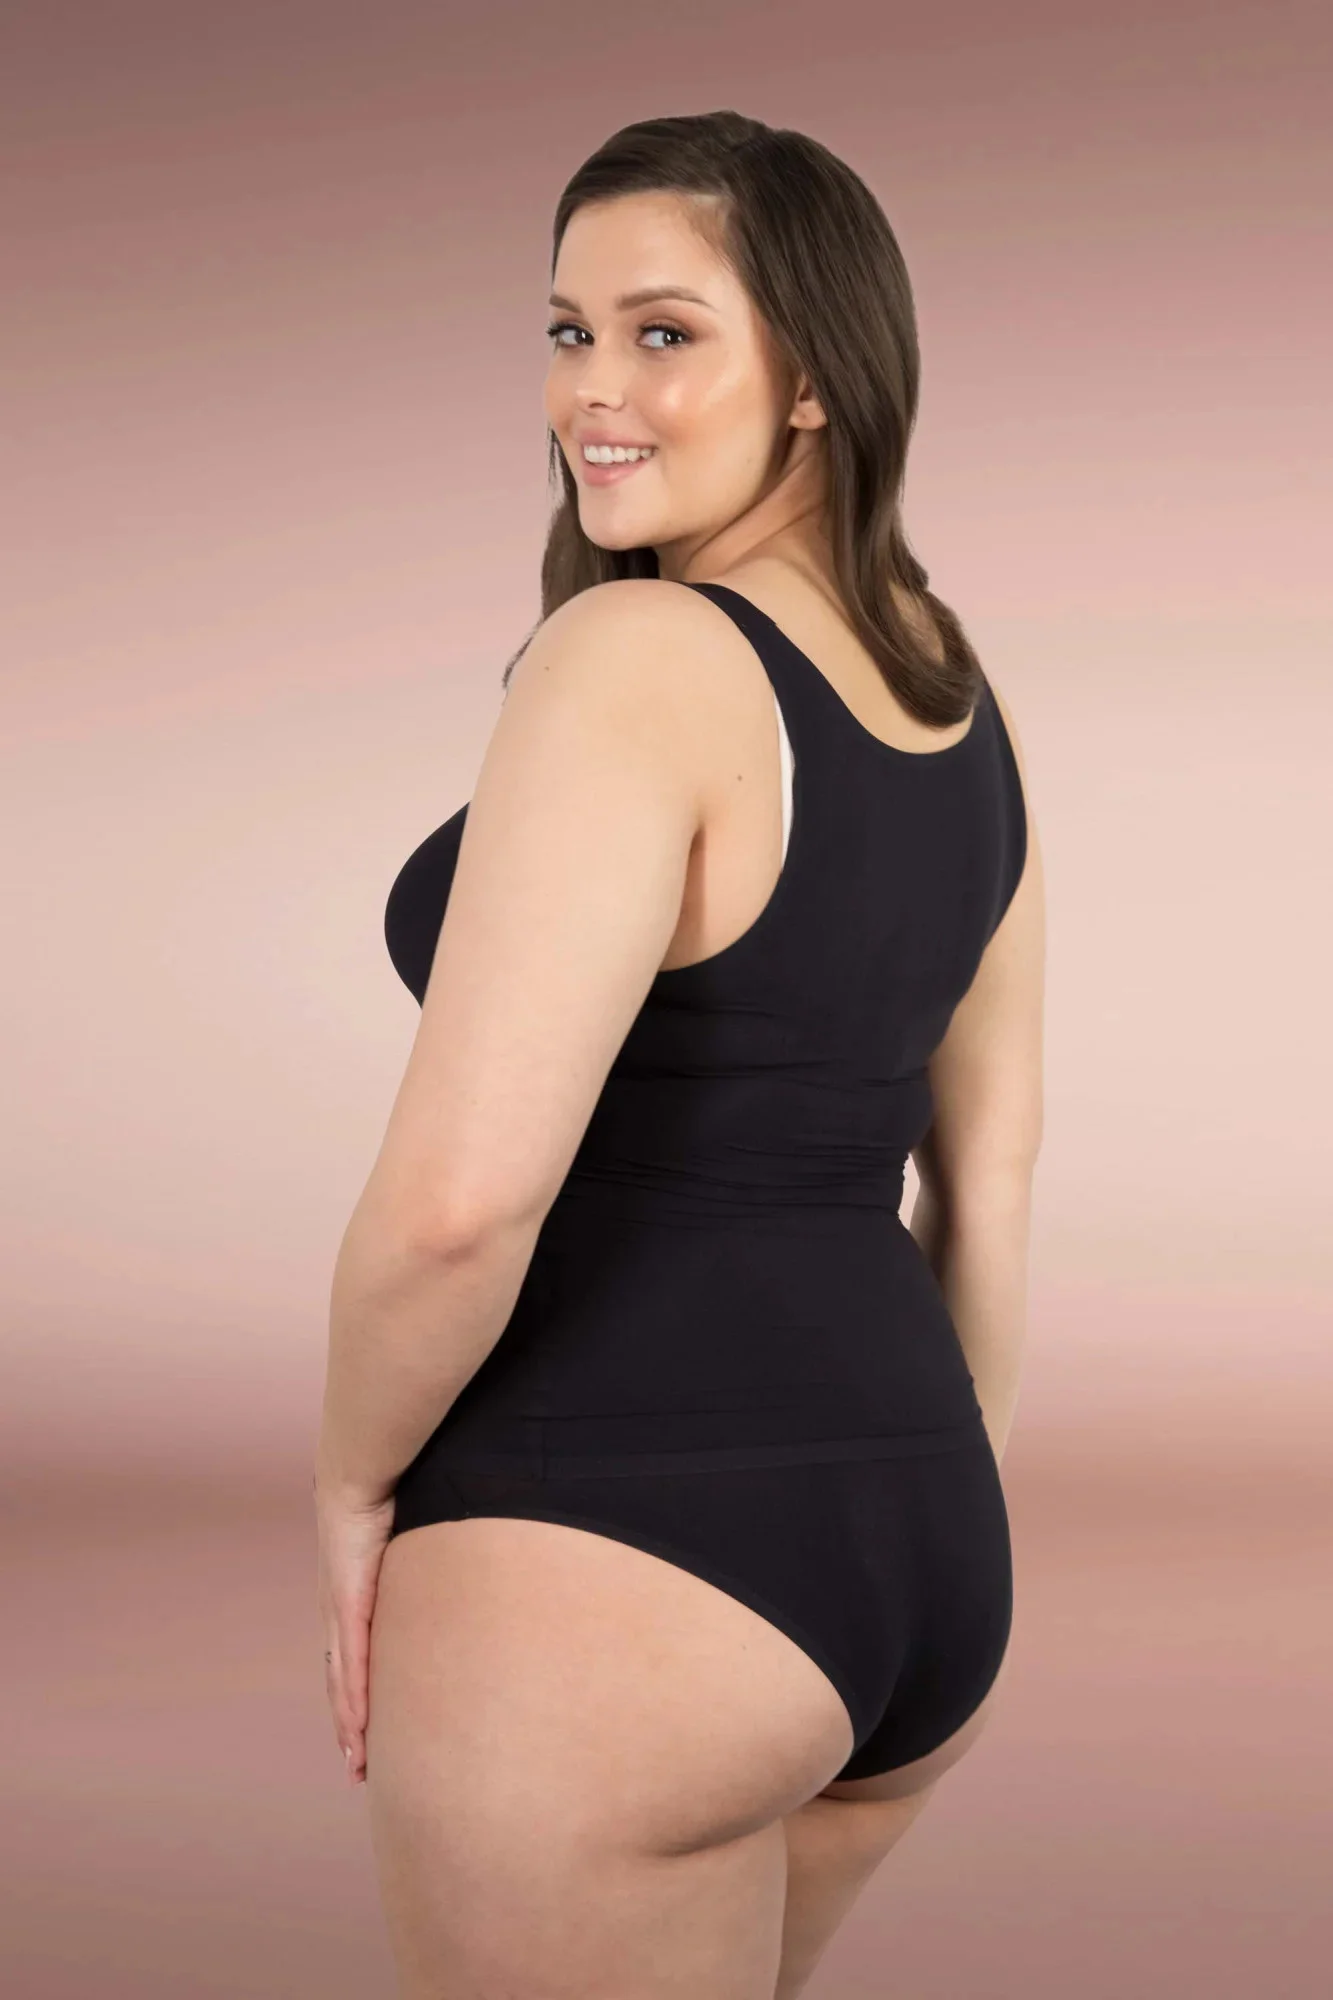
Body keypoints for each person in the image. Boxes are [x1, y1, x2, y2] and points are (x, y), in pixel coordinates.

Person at [315, 110, 1045, 2000]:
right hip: (921, 1553)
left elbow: (460, 1209)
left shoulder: (634, 663)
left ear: (813, 375)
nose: (595, 392)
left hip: (620, 1545)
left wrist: (348, 1479)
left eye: (664, 334)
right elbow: (987, 1185)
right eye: (568, 333)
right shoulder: (954, 690)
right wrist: (914, 1502)